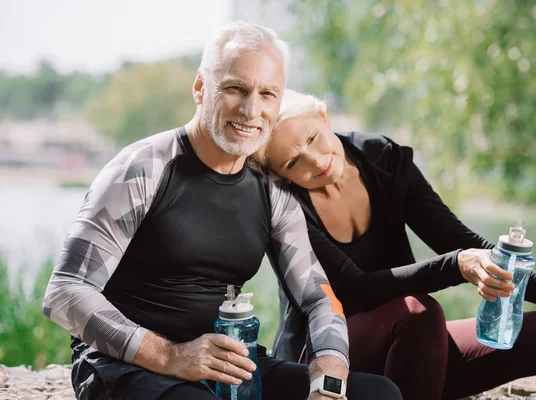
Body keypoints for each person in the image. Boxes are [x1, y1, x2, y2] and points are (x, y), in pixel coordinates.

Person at [42, 23, 403, 400]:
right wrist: (170, 356)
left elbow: (318, 297)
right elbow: (66, 291)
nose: (251, 110)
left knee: (379, 393)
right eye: (235, 89)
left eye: (267, 94)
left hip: (225, 363)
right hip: (124, 368)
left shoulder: (271, 191)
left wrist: (327, 379)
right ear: (201, 88)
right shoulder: (143, 168)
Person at [254, 88, 536, 400]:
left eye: (313, 138)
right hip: (327, 367)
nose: (315, 160)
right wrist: (456, 265)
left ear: (324, 117)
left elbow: (461, 240)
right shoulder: (286, 205)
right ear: (281, 173)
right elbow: (352, 289)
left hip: (412, 356)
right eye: (293, 162)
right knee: (418, 312)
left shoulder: (382, 159)